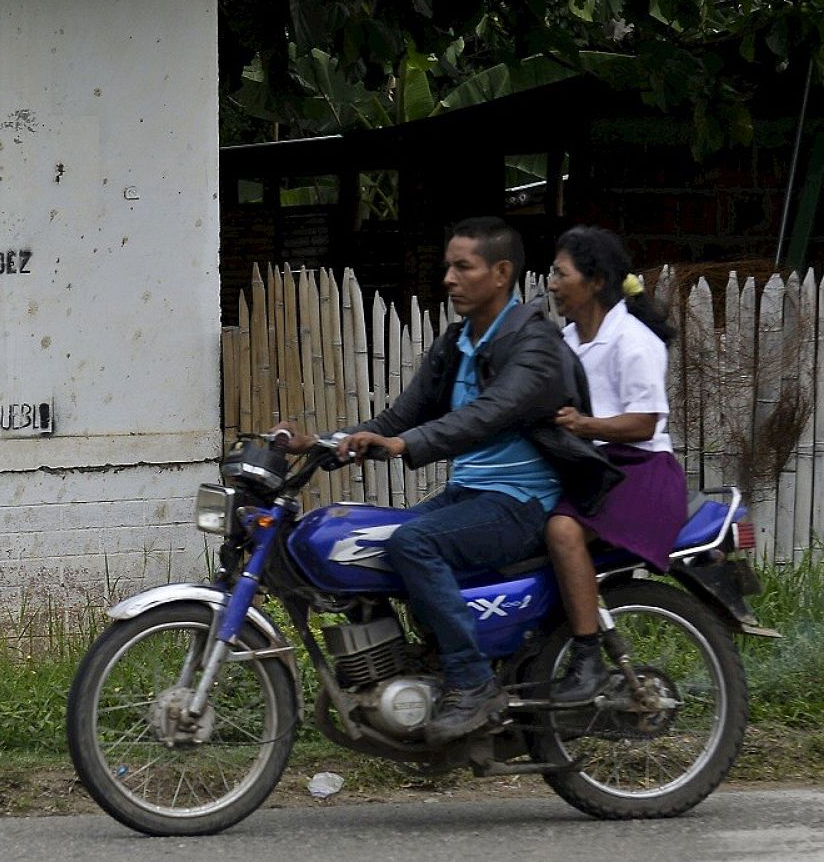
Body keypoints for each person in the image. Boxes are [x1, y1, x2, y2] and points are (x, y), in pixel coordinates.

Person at [277, 216, 618, 744]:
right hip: (473, 494)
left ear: (501, 273)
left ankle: (472, 681)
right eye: (448, 267)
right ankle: (422, 664)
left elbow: (489, 413)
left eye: (463, 267)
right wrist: (324, 441)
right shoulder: (459, 342)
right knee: (378, 542)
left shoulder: (535, 344)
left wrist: (409, 445)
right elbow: (399, 416)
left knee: (414, 542)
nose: (449, 279)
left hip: (524, 501)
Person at [544, 226, 685, 703]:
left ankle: (588, 658)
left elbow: (645, 423)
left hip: (639, 469)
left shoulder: (634, 340)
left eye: (561, 274)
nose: (552, 284)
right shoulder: (567, 340)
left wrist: (583, 425)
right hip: (592, 464)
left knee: (563, 531)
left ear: (596, 281)